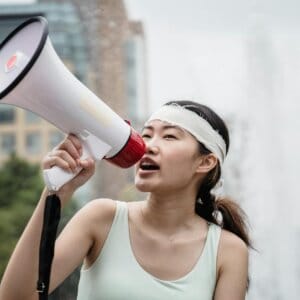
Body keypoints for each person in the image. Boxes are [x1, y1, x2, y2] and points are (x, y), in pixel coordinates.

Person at [0, 100, 250, 300]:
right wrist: (55, 194)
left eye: (170, 137)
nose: (148, 146)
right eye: (146, 135)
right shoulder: (102, 218)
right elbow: (14, 297)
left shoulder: (227, 251)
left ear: (205, 162)